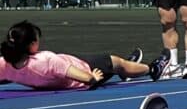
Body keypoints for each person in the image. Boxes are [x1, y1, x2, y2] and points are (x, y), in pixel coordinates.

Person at [1, 20, 166, 90]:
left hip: (69, 64)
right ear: (31, 45)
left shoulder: (6, 64)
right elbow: (87, 78)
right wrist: (93, 77)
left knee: (119, 66)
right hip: (85, 69)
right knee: (116, 62)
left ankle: (127, 70)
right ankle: (152, 68)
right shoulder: (46, 61)